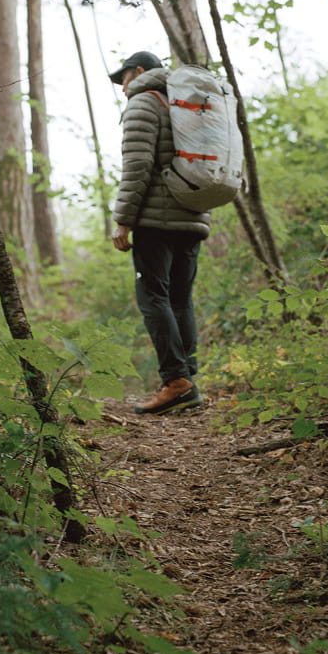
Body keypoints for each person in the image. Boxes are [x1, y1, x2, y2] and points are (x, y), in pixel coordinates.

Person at [109, 51, 210, 415]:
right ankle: (186, 380)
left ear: (138, 72)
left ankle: (176, 381)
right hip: (194, 215)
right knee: (180, 299)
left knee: (154, 298)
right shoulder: (187, 103)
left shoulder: (144, 102)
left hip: (155, 219)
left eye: (123, 78)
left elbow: (137, 165)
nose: (123, 87)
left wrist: (124, 219)